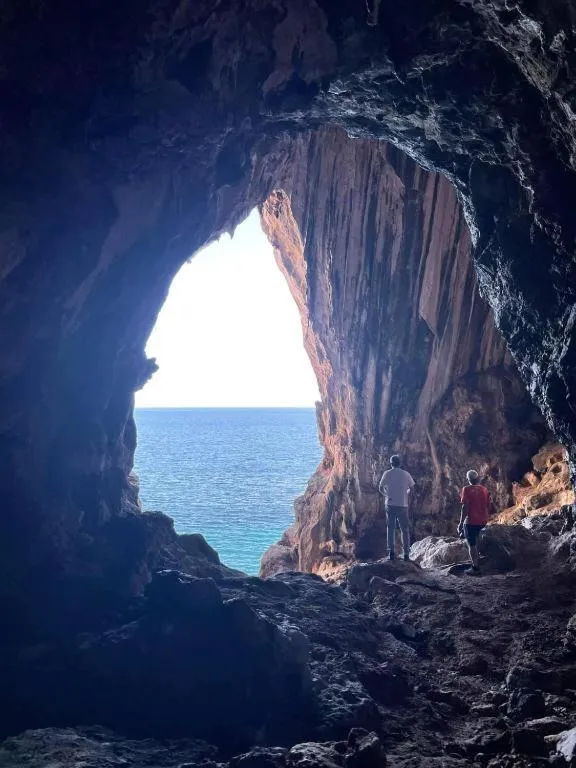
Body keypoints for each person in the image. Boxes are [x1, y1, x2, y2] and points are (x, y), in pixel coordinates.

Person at [457, 469, 495, 575]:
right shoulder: (484, 489)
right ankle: (478, 561)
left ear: (468, 479)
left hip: (471, 521)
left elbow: (465, 507)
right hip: (483, 520)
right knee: (476, 540)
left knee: (471, 544)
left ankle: (475, 568)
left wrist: (460, 523)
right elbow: (489, 505)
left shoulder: (466, 489)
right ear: (477, 479)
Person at [378, 455, 415, 561]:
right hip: (403, 505)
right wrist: (406, 493)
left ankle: (391, 553)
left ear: (391, 463)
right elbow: (412, 489)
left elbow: (380, 487)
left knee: (390, 528)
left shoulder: (387, 473)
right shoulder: (406, 474)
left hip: (390, 504)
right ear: (400, 463)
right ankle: (406, 554)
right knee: (405, 530)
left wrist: (386, 495)